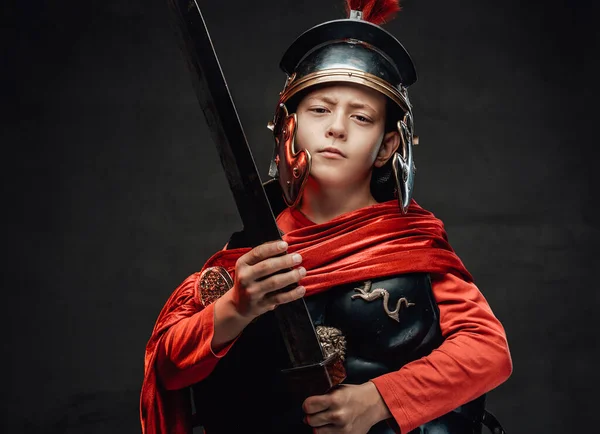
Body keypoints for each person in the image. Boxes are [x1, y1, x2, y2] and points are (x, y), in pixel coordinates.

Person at [140, 1, 512, 433]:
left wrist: (376, 400)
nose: (337, 128)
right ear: (288, 126)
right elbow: (169, 368)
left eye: (361, 116)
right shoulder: (249, 254)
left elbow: (488, 351)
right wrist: (235, 308)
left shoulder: (410, 245)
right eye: (320, 110)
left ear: (388, 145)